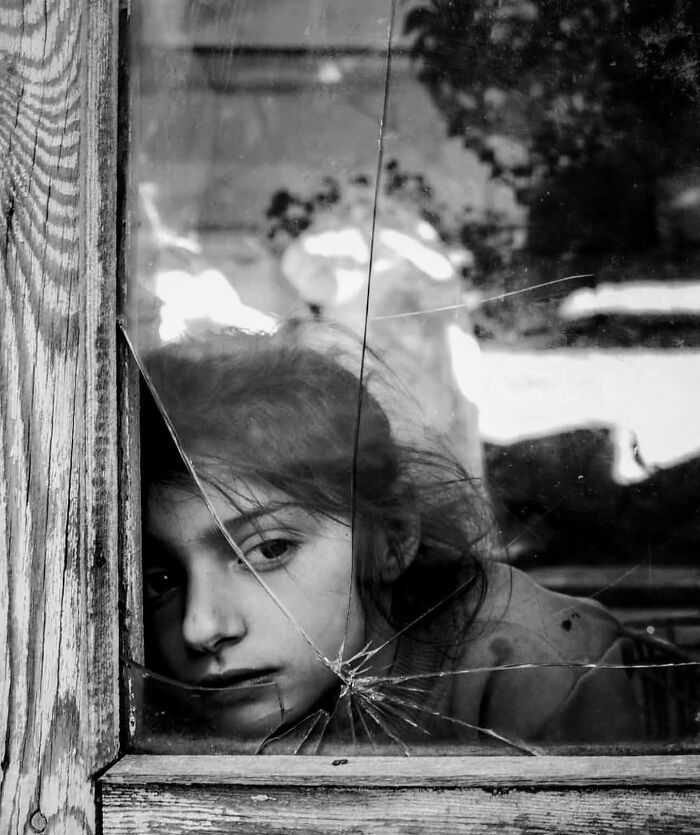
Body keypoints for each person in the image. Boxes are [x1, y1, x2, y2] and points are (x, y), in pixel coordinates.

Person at [139, 321, 645, 753]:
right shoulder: (145, 708)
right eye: (159, 580)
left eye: (270, 549)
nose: (201, 628)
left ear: (393, 537)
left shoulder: (535, 675)